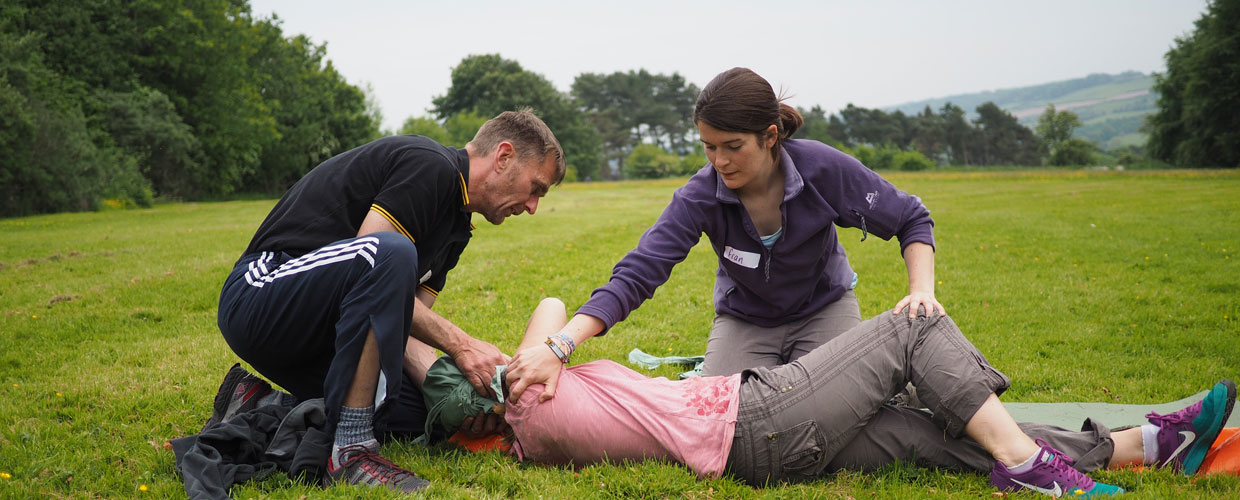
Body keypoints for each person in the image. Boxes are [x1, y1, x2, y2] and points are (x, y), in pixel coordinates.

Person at [438, 298, 1235, 497]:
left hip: (772, 452)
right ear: (492, 388)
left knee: (943, 437)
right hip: (755, 415)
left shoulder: (531, 417)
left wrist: (528, 356)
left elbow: (538, 319)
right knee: (913, 327)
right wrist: (534, 352)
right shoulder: (532, 395)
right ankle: (1033, 469)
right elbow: (546, 306)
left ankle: (1144, 445)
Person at [506, 67, 942, 403]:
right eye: (709, 147)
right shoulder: (700, 196)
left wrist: (921, 291)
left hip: (824, 310)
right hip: (746, 320)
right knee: (726, 414)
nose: (720, 161)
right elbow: (637, 275)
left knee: (845, 404)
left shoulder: (821, 169)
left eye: (733, 146)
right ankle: (713, 370)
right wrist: (560, 344)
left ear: (770, 136)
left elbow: (910, 218)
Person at [214, 109, 565, 493]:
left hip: (320, 333)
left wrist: (453, 396)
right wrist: (462, 345)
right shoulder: (430, 166)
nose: (532, 206)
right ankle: (350, 451)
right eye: (536, 188)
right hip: (260, 295)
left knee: (417, 412)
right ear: (503, 156)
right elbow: (375, 260)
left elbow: (394, 326)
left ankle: (256, 402)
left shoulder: (457, 231)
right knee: (390, 251)